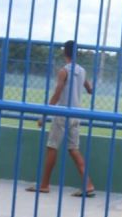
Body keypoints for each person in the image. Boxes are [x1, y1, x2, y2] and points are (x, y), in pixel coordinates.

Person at [27, 40, 95, 197]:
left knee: (52, 147)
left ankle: (44, 185)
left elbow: (57, 94)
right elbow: (90, 89)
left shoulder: (64, 71)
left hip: (62, 114)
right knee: (74, 149)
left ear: (65, 52)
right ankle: (88, 184)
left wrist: (44, 114)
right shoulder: (82, 71)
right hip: (76, 115)